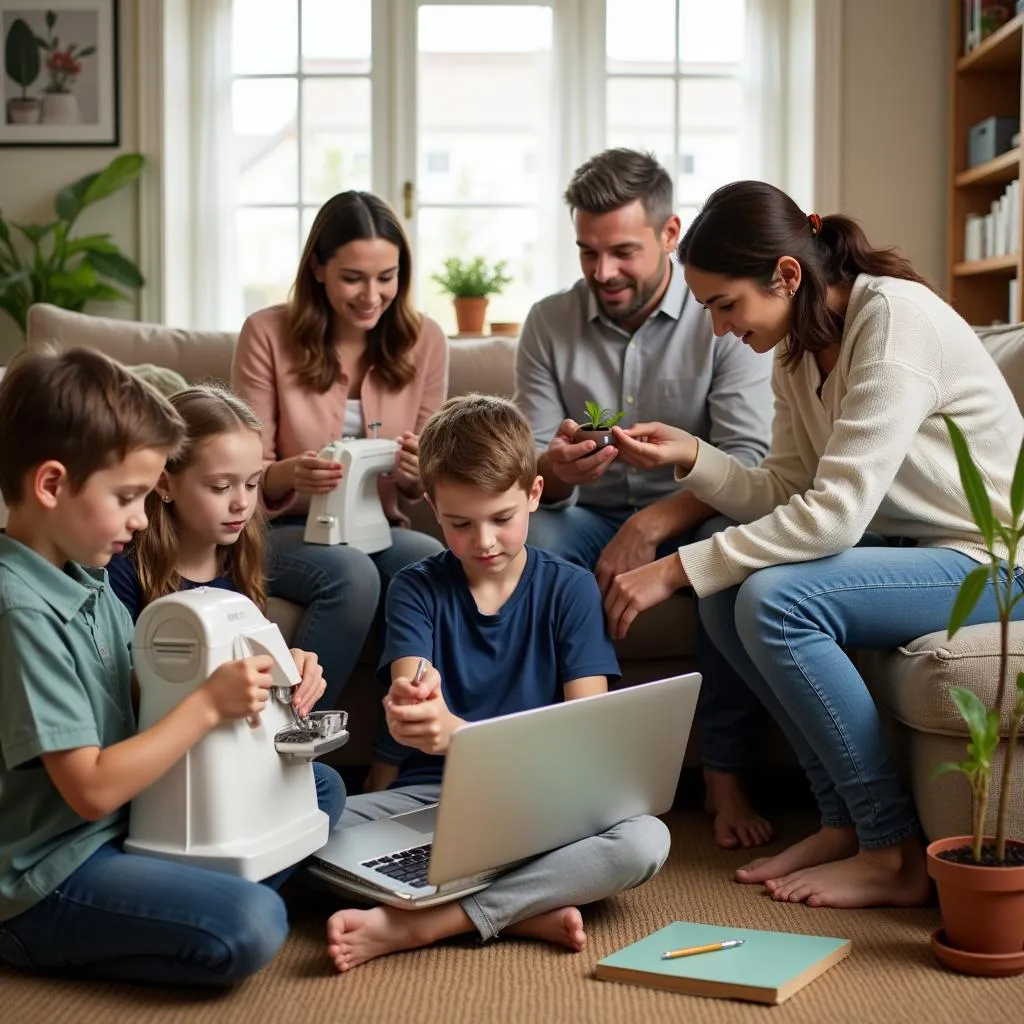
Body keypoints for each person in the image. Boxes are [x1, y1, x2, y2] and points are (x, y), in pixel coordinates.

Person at [602, 180, 1024, 909]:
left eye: (725, 305)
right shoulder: (796, 352)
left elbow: (832, 519)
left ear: (787, 276)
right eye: (707, 310)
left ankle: (892, 850)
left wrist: (676, 565)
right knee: (727, 591)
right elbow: (787, 489)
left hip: (992, 560)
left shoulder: (892, 320)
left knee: (771, 596)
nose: (718, 329)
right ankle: (841, 823)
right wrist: (693, 456)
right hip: (912, 551)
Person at [325, 394, 670, 971]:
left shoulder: (571, 589)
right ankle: (521, 906)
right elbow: (411, 697)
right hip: (430, 801)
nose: (483, 540)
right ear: (433, 507)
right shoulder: (414, 588)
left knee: (643, 841)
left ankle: (434, 920)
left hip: (542, 809)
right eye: (460, 524)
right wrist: (411, 706)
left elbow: (584, 745)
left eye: (502, 519)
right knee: (301, 835)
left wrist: (456, 731)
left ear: (534, 495)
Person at [0, 348, 299, 985]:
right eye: (128, 497)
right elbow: (92, 790)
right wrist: (207, 705)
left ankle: (180, 891)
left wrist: (260, 674)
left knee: (318, 792)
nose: (141, 519)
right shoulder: (19, 610)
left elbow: (140, 690)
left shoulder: (86, 576)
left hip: (134, 819)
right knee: (252, 921)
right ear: (51, 485)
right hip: (52, 868)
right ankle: (33, 941)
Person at [515, 148, 775, 848]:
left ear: (669, 235)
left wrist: (653, 525)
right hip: (583, 518)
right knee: (528, 549)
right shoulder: (547, 323)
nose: (603, 273)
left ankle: (722, 772)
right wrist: (560, 466)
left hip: (697, 513)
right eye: (587, 252)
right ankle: (554, 767)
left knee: (725, 561)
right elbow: (530, 463)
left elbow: (750, 460)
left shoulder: (726, 316)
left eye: (622, 251)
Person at [231, 190, 448, 787]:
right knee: (351, 575)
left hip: (379, 528)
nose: (372, 296)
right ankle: (294, 756)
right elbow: (241, 464)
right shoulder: (267, 333)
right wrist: (284, 474)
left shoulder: (423, 339)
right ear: (318, 268)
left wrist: (416, 473)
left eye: (387, 277)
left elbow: (431, 471)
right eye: (353, 277)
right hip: (279, 529)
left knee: (437, 565)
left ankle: (394, 763)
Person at [106, 385, 345, 835]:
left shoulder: (240, 555)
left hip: (231, 748)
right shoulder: (125, 568)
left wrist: (287, 668)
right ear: (165, 483)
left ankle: (236, 872)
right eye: (221, 486)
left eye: (253, 483)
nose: (242, 502)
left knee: (326, 786)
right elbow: (125, 695)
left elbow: (248, 662)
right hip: (164, 755)